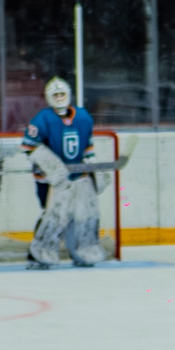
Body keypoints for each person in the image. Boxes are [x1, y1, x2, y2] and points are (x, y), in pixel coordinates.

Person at [20, 76, 104, 267]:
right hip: (50, 180)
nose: (59, 98)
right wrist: (53, 169)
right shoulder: (42, 119)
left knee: (82, 214)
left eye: (62, 94)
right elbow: (28, 145)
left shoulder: (83, 117)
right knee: (53, 214)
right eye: (55, 94)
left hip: (78, 176)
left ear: (69, 95)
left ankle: (82, 252)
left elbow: (88, 146)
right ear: (49, 97)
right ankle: (39, 254)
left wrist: (92, 166)